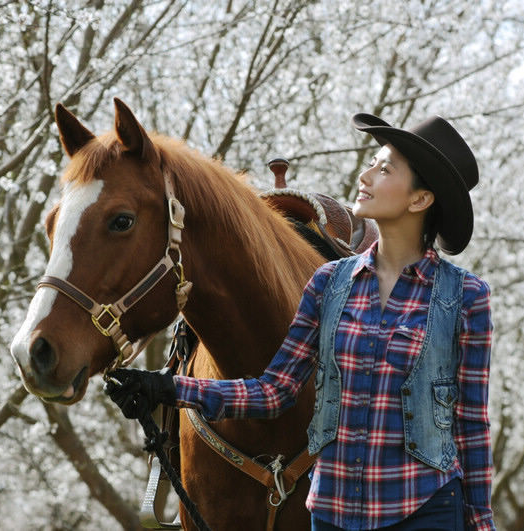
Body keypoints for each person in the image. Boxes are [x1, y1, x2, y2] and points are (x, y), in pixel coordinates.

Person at [107, 113, 495, 530]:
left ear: (420, 200)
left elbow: (471, 424)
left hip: (427, 511)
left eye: (384, 169)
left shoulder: (465, 297)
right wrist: (168, 388)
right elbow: (274, 391)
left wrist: (482, 522)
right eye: (372, 162)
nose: (365, 176)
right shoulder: (328, 283)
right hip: (333, 514)